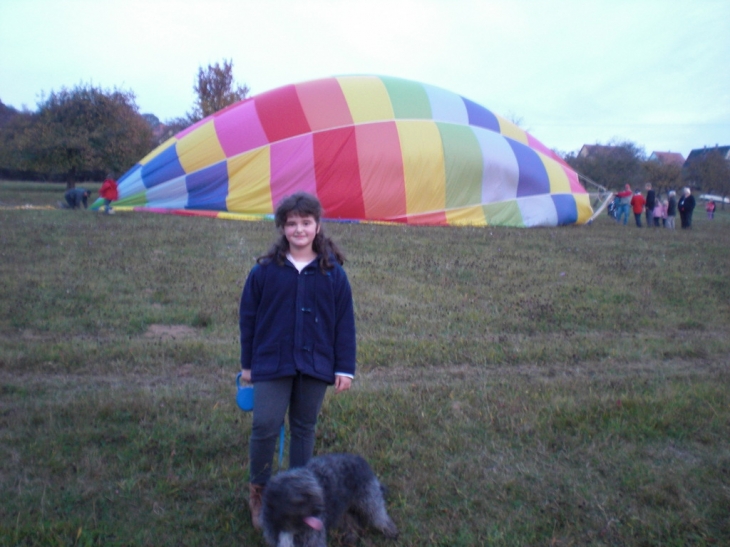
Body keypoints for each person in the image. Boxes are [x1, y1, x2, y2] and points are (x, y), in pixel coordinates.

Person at [238, 192, 356, 530]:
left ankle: (298, 495)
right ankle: (259, 491)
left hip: (316, 363)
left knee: (304, 428)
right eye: (292, 223)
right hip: (271, 363)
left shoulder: (334, 275)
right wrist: (248, 364)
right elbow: (248, 318)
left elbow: (344, 324)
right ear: (283, 228)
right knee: (265, 424)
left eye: (306, 222)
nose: (299, 230)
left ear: (318, 226)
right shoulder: (264, 272)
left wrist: (344, 368)